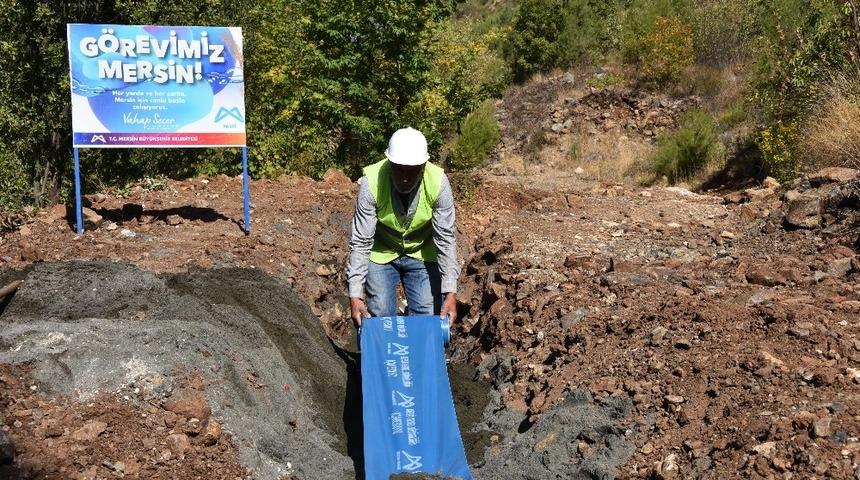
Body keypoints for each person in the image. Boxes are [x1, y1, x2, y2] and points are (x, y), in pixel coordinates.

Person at [347, 127, 460, 327]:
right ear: (389, 164)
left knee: (426, 315)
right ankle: (382, 356)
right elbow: (361, 241)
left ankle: (420, 356)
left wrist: (451, 292)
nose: (405, 178)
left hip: (422, 252)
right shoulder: (372, 182)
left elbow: (445, 239)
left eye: (412, 170)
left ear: (423, 167)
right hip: (381, 253)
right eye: (399, 169)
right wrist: (355, 294)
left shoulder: (438, 183)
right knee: (380, 313)